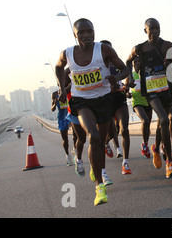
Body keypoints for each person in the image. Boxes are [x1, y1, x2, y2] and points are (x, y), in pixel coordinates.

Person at [55, 18, 129, 205]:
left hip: (103, 100)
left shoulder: (104, 50)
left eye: (89, 31)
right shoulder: (68, 53)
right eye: (82, 32)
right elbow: (58, 67)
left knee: (101, 141)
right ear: (75, 35)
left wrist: (116, 77)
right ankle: (99, 188)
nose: (86, 35)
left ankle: (95, 167)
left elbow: (125, 69)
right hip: (81, 102)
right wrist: (62, 89)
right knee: (93, 137)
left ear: (94, 32)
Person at [126, 18, 172, 178]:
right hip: (150, 91)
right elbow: (128, 61)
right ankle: (170, 162)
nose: (155, 31)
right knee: (164, 119)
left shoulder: (167, 45)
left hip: (167, 89)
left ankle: (156, 148)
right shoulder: (140, 48)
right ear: (146, 31)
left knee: (165, 121)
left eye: (158, 28)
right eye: (152, 29)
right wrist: (129, 76)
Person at [100, 40, 131, 175]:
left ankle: (125, 162)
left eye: (110, 49)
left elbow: (127, 72)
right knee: (110, 132)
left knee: (123, 129)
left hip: (118, 97)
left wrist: (128, 84)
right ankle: (106, 145)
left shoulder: (116, 62)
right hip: (103, 100)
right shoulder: (96, 65)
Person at [125, 57, 153, 158]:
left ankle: (145, 143)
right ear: (132, 64)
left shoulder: (147, 73)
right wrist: (127, 93)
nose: (137, 63)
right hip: (137, 102)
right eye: (135, 62)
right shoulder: (131, 75)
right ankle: (145, 145)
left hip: (148, 101)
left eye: (139, 61)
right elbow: (125, 89)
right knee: (145, 121)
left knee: (148, 124)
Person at [51, 90, 75, 165]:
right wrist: (55, 104)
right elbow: (52, 109)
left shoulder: (68, 90)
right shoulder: (54, 94)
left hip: (70, 116)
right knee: (65, 140)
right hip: (62, 119)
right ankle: (68, 155)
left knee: (76, 135)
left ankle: (75, 149)